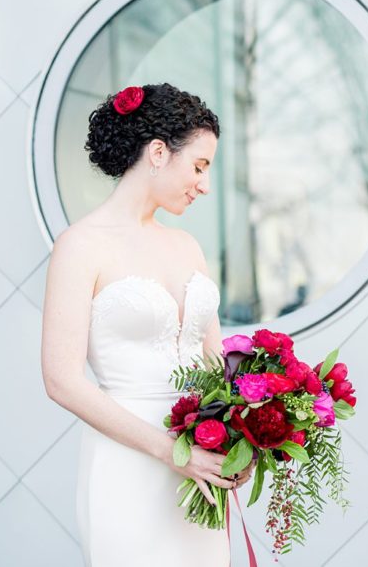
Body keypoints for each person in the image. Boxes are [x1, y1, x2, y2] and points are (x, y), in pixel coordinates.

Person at [40, 83, 255, 566]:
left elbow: (218, 368)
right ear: (158, 152)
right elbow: (61, 381)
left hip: (200, 467)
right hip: (128, 465)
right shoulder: (79, 246)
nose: (204, 185)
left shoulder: (187, 247)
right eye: (199, 166)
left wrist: (241, 441)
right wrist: (173, 453)